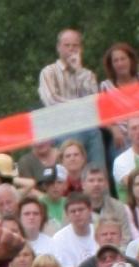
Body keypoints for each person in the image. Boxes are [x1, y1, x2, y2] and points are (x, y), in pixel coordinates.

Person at [39, 29, 104, 167]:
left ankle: (98, 175)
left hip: (89, 127)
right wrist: (81, 106)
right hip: (62, 127)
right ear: (58, 47)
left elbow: (94, 102)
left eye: (75, 45)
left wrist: (79, 70)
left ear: (81, 48)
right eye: (67, 45)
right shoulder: (48, 72)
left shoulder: (87, 74)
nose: (71, 49)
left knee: (95, 135)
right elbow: (52, 101)